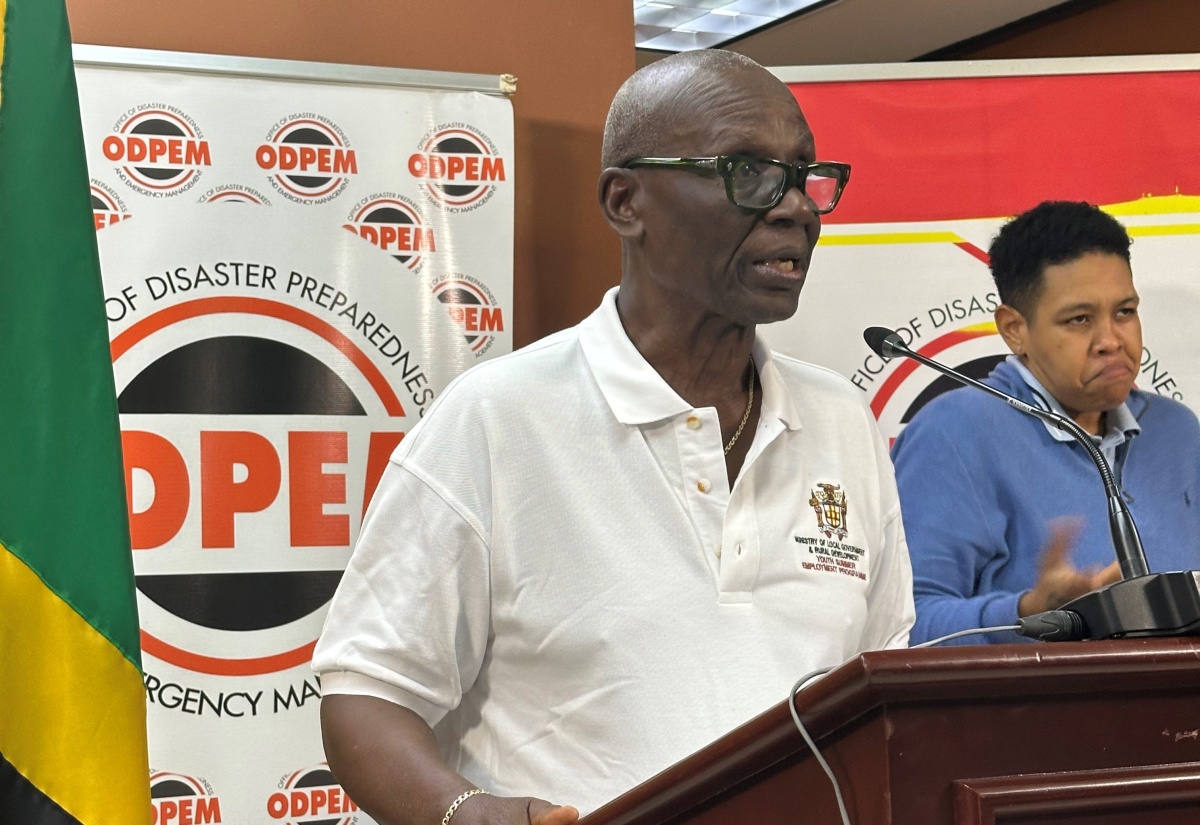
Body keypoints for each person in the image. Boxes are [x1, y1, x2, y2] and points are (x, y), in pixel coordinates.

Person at [312, 49, 914, 825]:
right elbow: (366, 694)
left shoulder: (842, 419)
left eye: (805, 175)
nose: (796, 206)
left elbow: (879, 683)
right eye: (750, 172)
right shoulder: (497, 418)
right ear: (626, 201)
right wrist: (466, 811)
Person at [892, 200, 1200, 645]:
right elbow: (904, 625)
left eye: (1125, 312)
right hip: (1035, 693)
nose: (1111, 340)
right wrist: (1028, 614)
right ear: (1014, 329)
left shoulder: (1178, 431)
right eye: (1079, 319)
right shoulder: (954, 432)